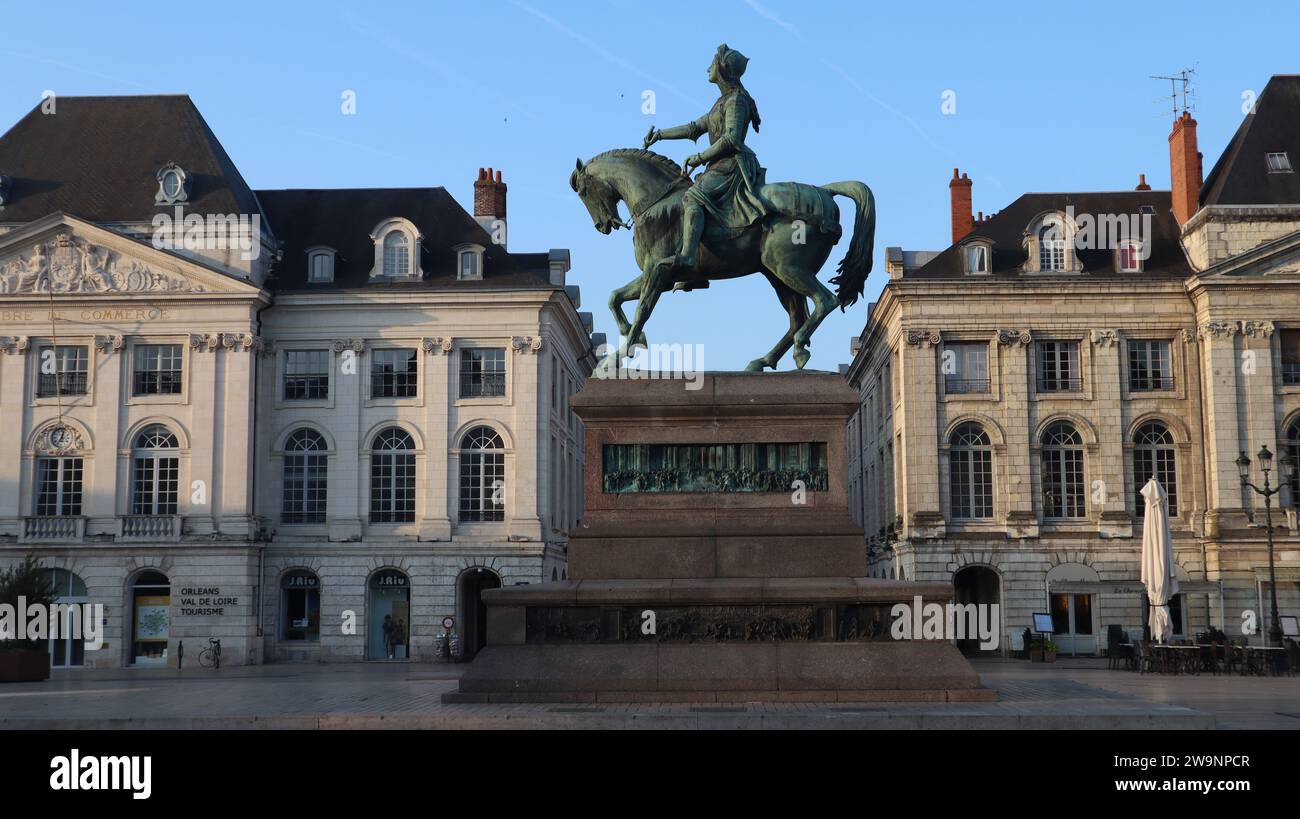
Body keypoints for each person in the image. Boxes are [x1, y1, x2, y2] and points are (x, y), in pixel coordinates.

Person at [643, 44, 769, 282]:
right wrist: (660, 134)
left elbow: (731, 139)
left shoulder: (736, 101)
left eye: (712, 64)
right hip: (719, 165)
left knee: (691, 197)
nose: (708, 68)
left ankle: (688, 257)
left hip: (732, 165)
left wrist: (699, 157)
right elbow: (694, 128)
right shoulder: (722, 102)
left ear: (723, 70)